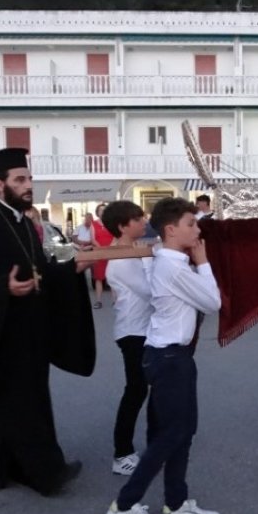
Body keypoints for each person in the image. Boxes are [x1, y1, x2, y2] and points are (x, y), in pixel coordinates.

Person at [0, 147, 95, 496]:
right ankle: (45, 473)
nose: (28, 185)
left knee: (7, 400)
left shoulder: (25, 223)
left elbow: (41, 271)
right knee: (23, 402)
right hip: (2, 332)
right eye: (20, 180)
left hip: (31, 329)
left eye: (29, 178)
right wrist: (2, 286)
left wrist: (70, 270)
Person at [105, 197, 221, 514]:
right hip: (169, 358)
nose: (197, 230)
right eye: (191, 224)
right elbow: (212, 302)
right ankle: (124, 505)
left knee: (180, 433)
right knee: (172, 433)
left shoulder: (166, 258)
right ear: (171, 230)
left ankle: (177, 504)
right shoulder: (173, 266)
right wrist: (204, 262)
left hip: (172, 355)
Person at [103, 200, 154, 476]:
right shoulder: (122, 258)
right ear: (123, 226)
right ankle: (121, 453)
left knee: (142, 389)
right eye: (137, 218)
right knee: (135, 391)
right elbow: (149, 290)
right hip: (133, 331)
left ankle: (148, 444)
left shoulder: (132, 251)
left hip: (141, 329)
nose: (143, 221)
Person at [91, 203, 113, 309]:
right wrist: (101, 249)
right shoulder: (93, 224)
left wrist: (109, 249)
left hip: (111, 253)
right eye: (100, 210)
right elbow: (93, 239)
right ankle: (98, 301)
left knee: (112, 278)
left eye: (104, 210)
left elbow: (115, 237)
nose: (102, 212)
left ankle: (115, 301)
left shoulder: (111, 223)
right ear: (97, 212)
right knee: (99, 278)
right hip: (99, 253)